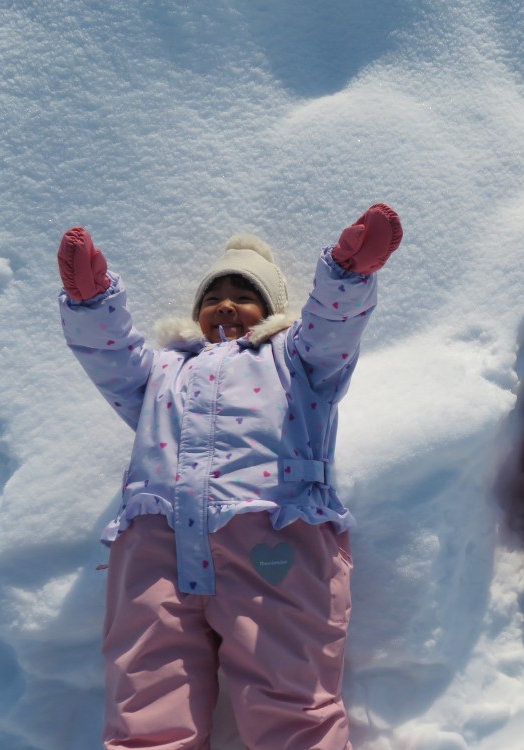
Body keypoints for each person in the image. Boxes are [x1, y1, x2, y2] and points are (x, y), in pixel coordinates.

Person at [57, 203, 402, 749]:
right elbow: (112, 357)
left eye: (244, 295)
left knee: (292, 696)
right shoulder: (164, 369)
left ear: (271, 311)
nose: (225, 305)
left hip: (273, 538)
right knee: (147, 699)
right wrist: (92, 304)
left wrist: (346, 276)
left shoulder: (296, 359)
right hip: (157, 546)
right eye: (213, 297)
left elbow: (332, 329)